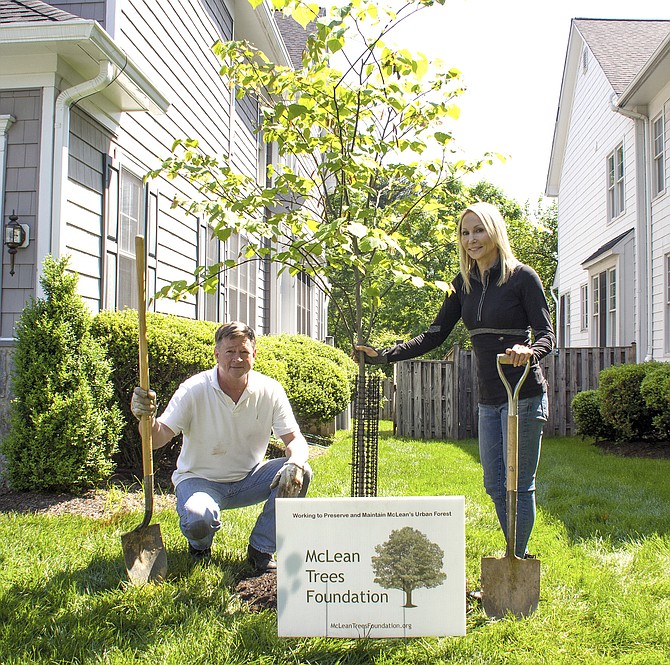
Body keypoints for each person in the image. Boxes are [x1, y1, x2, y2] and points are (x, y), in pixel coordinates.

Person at [357, 201, 555, 559]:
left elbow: (546, 334)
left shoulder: (522, 278)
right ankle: (512, 552)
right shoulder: (461, 285)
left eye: (478, 230)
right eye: (465, 233)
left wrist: (529, 352)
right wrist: (386, 354)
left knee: (519, 485)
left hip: (523, 395)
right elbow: (434, 334)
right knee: (495, 485)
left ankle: (516, 560)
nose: (471, 239)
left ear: (494, 231)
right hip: (490, 399)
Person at [130, 321, 312, 572]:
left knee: (302, 471)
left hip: (249, 478)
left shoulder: (270, 390)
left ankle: (261, 549)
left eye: (244, 352)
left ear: (254, 355)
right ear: (217, 354)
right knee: (198, 518)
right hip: (199, 480)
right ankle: (200, 545)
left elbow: (294, 440)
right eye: (230, 352)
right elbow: (158, 438)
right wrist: (146, 418)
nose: (237, 358)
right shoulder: (194, 389)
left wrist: (295, 462)